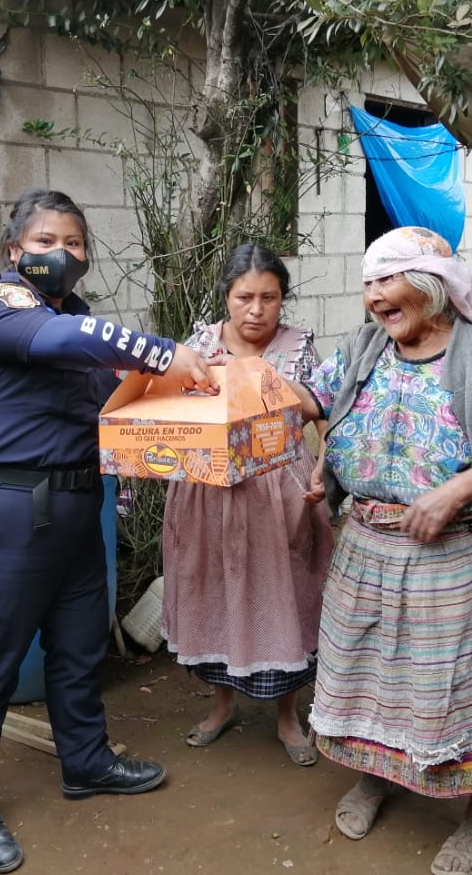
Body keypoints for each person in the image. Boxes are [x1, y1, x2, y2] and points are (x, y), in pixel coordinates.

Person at [0, 188, 217, 874]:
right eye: (45, 243)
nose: (62, 255)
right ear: (13, 251)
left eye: (75, 245)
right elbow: (68, 342)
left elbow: (115, 403)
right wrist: (159, 352)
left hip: (75, 509)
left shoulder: (79, 318)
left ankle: (85, 762)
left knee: (80, 647)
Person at [288, 226, 472, 875]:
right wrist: (235, 387)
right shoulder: (366, 346)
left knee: (455, 683)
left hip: (451, 548)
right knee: (368, 672)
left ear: (429, 287)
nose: (374, 298)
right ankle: (378, 777)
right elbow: (315, 400)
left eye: (387, 281)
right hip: (367, 542)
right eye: (368, 284)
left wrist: (452, 493)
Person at [159, 244, 334, 766]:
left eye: (269, 297)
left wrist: (327, 464)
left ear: (283, 300)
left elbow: (324, 414)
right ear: (227, 297)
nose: (256, 310)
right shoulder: (199, 346)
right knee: (216, 593)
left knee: (287, 596)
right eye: (244, 297)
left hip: (283, 495)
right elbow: (171, 413)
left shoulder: (300, 348)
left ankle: (287, 715)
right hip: (208, 496)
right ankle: (222, 705)